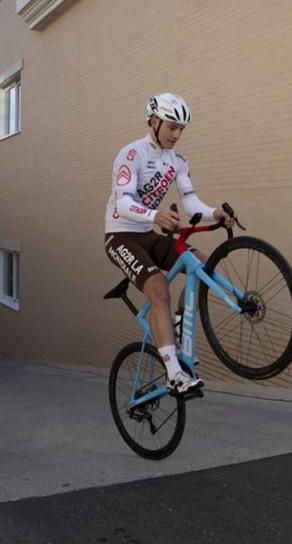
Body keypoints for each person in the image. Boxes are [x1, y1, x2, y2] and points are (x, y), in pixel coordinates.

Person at [104, 93, 234, 394]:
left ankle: (176, 323)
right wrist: (154, 214)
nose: (177, 134)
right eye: (172, 126)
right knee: (159, 288)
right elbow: (122, 203)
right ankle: (174, 373)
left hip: (148, 233)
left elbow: (190, 203)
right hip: (120, 236)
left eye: (181, 129)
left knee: (204, 266)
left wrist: (216, 212)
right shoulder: (131, 154)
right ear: (153, 120)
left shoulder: (178, 161)